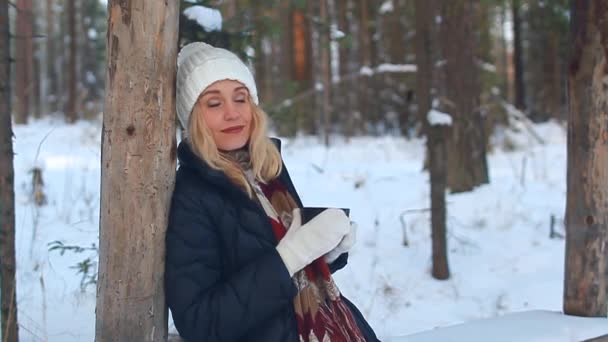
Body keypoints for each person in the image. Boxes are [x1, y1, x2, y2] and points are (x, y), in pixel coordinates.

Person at [165, 42, 379, 342]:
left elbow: (273, 259)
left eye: (241, 99)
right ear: (193, 118)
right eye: (214, 104)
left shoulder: (267, 169)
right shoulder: (192, 196)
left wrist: (325, 254)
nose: (232, 113)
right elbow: (201, 323)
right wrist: (292, 255)